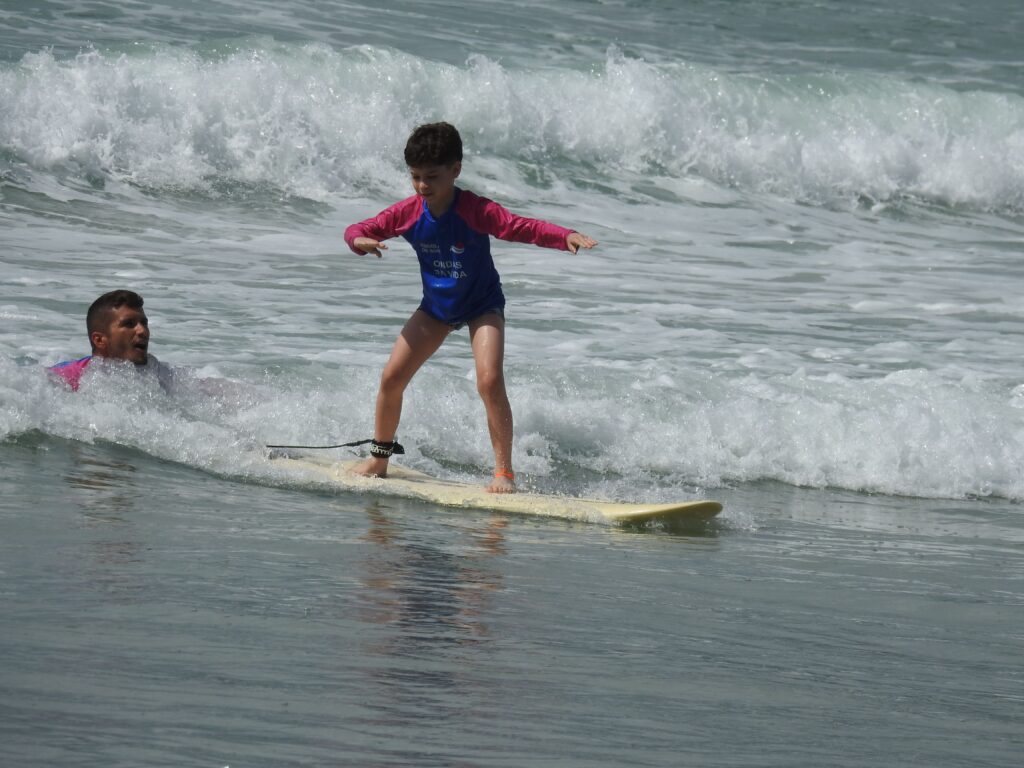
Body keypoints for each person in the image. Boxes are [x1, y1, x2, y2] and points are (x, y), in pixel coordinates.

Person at [344, 121, 598, 493]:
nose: (422, 186)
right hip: (436, 309)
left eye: (431, 176)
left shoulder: (476, 210)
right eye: (415, 177)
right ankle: (379, 460)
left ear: (456, 170)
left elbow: (520, 227)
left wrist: (565, 236)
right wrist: (360, 241)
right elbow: (361, 227)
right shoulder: (410, 212)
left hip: (482, 305)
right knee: (391, 378)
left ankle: (503, 473)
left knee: (489, 380)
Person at [48, 289, 173, 391]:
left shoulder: (160, 376)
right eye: (129, 324)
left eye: (144, 323)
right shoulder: (66, 379)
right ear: (99, 340)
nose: (143, 331)